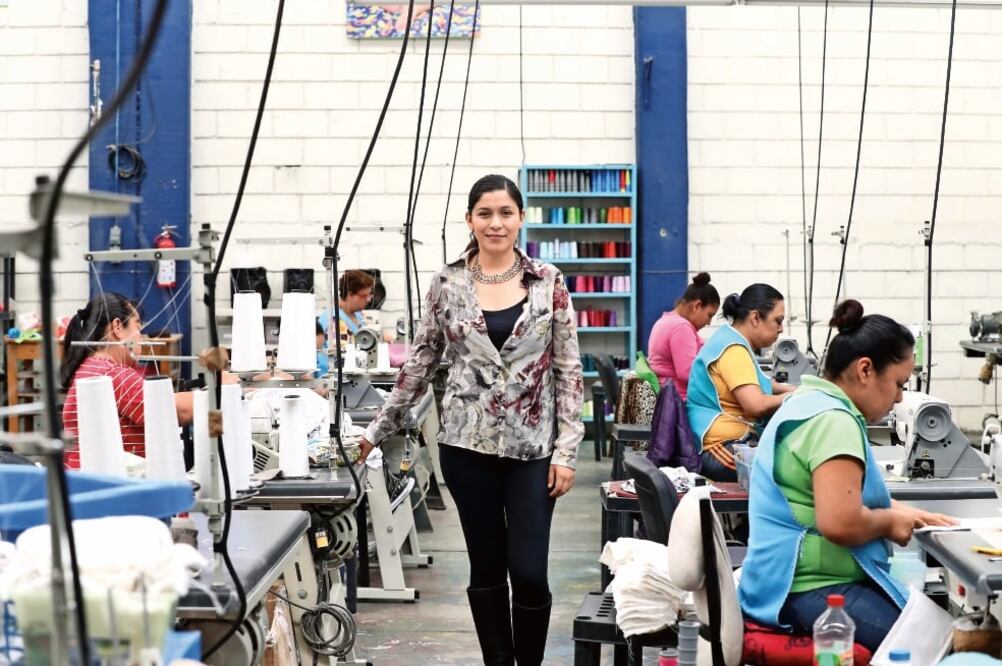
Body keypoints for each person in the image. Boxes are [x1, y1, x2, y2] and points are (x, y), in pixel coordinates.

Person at [358, 174, 583, 665]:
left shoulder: (549, 281)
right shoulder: (448, 282)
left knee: (529, 571)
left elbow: (568, 370)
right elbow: (420, 364)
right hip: (466, 450)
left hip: (532, 450)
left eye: (505, 213)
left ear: (520, 218)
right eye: (485, 214)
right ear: (470, 220)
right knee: (486, 567)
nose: (495, 223)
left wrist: (566, 451)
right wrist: (375, 431)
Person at [738, 300, 956, 650]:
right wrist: (888, 522)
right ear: (865, 370)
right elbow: (840, 522)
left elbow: (834, 496)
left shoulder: (808, 402)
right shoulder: (834, 421)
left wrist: (909, 514)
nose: (899, 398)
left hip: (778, 584)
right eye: (898, 383)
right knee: (941, 646)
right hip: (807, 591)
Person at [61, 293, 194, 469]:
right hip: (112, 482)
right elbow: (176, 411)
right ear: (117, 327)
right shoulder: (113, 374)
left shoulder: (88, 367)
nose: (141, 337)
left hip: (83, 478)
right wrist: (217, 388)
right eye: (138, 327)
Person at [686, 283, 795, 481]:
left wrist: (792, 389)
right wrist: (795, 395)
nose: (780, 329)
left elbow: (757, 383)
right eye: (777, 321)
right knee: (790, 472)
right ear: (755, 318)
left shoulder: (731, 339)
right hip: (718, 448)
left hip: (731, 441)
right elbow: (756, 405)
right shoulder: (733, 349)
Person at [646, 271, 720, 399]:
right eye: (709, 315)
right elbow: (687, 372)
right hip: (679, 401)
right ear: (697, 306)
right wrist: (720, 378)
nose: (709, 323)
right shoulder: (681, 327)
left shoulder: (665, 320)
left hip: (667, 397)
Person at [319, 269, 375, 339]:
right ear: (350, 294)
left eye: (369, 295)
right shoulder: (333, 320)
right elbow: (342, 346)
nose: (368, 300)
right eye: (364, 296)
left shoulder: (357, 314)